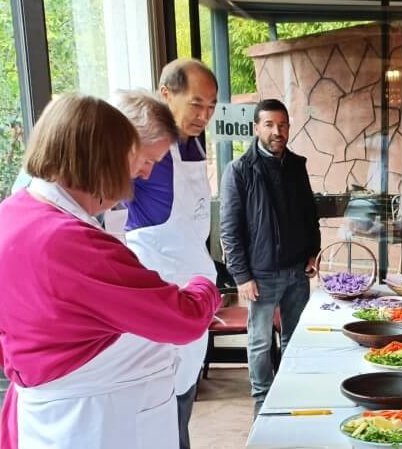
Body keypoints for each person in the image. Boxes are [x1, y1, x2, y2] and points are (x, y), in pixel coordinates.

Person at [0, 94, 221, 449]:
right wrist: (204, 284)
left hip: (48, 415)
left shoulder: (11, 214)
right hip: (97, 421)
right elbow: (184, 319)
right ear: (102, 159)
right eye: (135, 161)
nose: (139, 175)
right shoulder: (71, 242)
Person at [123, 58, 218, 449]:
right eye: (196, 104)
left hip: (192, 302)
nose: (204, 115)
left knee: (183, 408)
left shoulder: (194, 144)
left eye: (211, 107)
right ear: (166, 94)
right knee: (159, 420)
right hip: (157, 300)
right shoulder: (141, 147)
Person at [220, 99, 321, 416]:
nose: (277, 131)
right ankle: (263, 401)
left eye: (283, 125)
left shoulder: (296, 165)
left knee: (295, 338)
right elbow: (230, 230)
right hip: (260, 275)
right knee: (261, 342)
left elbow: (309, 215)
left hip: (296, 271)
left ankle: (291, 392)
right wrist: (242, 276)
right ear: (256, 128)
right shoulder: (238, 171)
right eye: (270, 124)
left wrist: (312, 253)